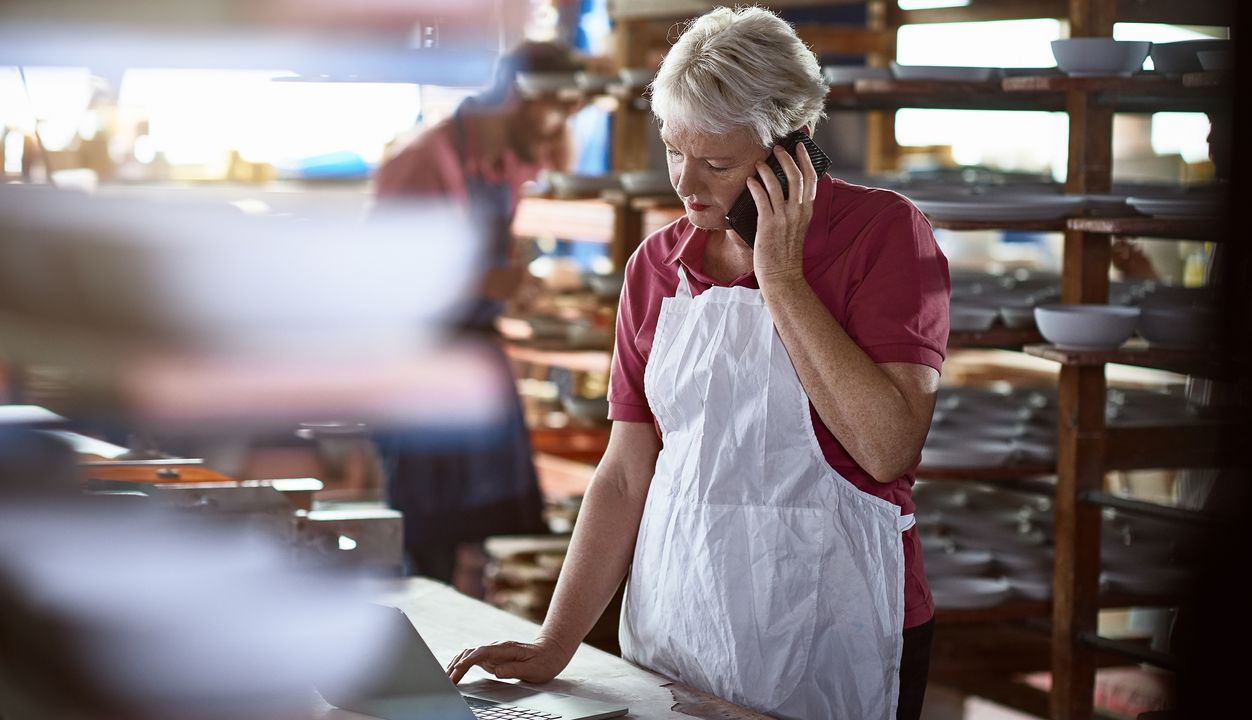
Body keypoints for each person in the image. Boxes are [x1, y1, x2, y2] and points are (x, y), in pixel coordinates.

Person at [445, 9, 950, 720]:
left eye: (716, 164)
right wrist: (556, 641)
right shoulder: (655, 265)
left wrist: (781, 278)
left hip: (837, 626)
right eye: (674, 151)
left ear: (792, 151)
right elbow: (625, 472)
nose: (686, 184)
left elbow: (887, 446)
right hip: (681, 623)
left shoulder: (884, 235)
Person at [371, 41, 585, 588]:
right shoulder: (422, 163)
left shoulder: (508, 155)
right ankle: (424, 655)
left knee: (503, 523)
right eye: (556, 105)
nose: (560, 123)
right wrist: (487, 282)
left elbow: (562, 162)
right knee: (429, 539)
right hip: (418, 363)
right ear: (515, 94)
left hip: (476, 353)